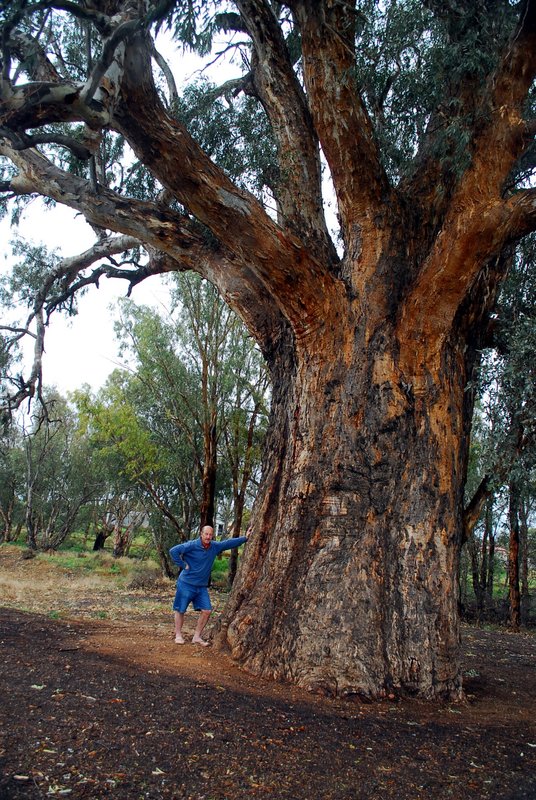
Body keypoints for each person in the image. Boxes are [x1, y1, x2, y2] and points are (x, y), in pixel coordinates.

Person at [169, 524, 250, 646]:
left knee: (207, 610)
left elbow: (228, 543)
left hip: (201, 586)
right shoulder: (191, 545)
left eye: (210, 535)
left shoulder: (214, 547)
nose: (208, 537)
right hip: (186, 583)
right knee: (180, 610)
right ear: (201, 534)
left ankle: (197, 637)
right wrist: (183, 564)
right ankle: (178, 635)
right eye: (206, 534)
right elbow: (173, 551)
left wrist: (245, 538)